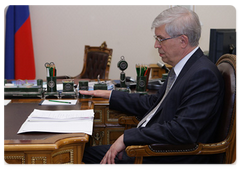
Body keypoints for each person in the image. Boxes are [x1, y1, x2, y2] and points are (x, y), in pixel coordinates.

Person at [80, 6, 224, 165]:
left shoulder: (203, 74)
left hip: (166, 157)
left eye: (160, 39)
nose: (156, 45)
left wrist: (128, 137)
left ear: (183, 41)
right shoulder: (185, 67)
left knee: (78, 156)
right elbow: (154, 104)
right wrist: (111, 95)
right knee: (82, 153)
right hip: (152, 148)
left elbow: (182, 131)